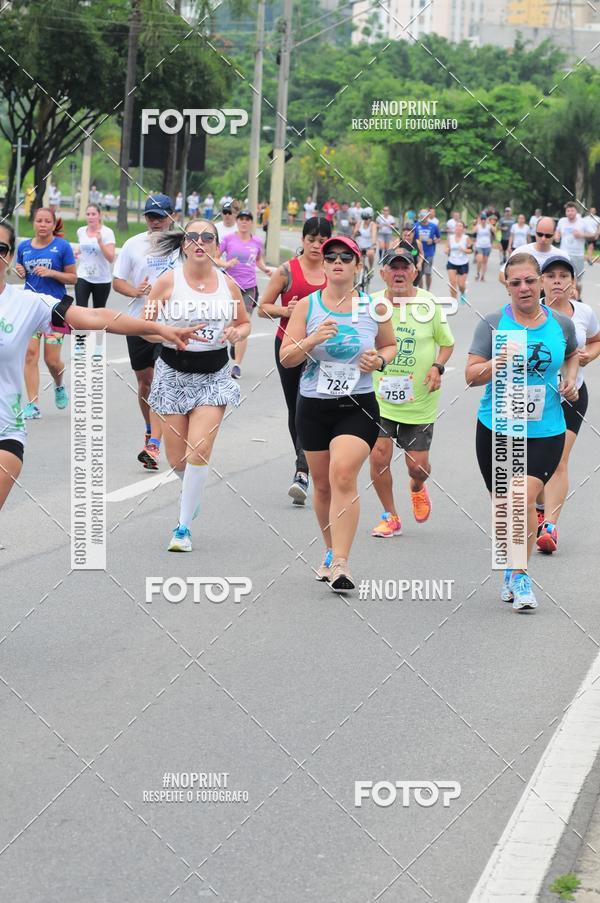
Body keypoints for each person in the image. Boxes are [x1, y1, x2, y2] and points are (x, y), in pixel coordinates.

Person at [0, 221, 201, 516]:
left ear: (10, 255)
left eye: (1, 248)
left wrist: (157, 327)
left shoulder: (26, 304)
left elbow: (94, 316)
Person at [279, 235, 397, 591]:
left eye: (346, 256)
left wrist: (378, 360)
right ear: (325, 264)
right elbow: (287, 357)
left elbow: (389, 346)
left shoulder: (374, 308)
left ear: (358, 266)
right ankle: (330, 551)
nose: (337, 261)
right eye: (331, 256)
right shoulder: (307, 307)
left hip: (357, 404)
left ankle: (342, 564)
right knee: (323, 485)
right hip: (313, 405)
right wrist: (312, 340)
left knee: (343, 473)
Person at [466, 252, 579, 611]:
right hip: (497, 427)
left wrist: (571, 380)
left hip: (546, 429)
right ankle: (513, 565)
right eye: (515, 283)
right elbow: (471, 376)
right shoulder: (493, 324)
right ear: (507, 286)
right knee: (505, 506)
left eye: (530, 280)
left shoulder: (561, 324)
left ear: (542, 282)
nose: (524, 288)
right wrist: (495, 363)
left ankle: (521, 574)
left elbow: (573, 353)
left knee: (520, 497)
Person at [144, 219, 250, 552]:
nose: (199, 241)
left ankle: (183, 527)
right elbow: (143, 325)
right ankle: (192, 490)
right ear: (183, 245)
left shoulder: (227, 285)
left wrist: (237, 333)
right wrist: (166, 334)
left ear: (217, 245)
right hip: (173, 375)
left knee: (198, 450)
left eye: (208, 237)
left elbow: (244, 323)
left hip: (213, 377)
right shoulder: (167, 282)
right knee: (177, 460)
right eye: (193, 236)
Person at [369, 249, 454, 537]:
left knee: (417, 467)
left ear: (415, 272)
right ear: (383, 273)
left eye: (404, 268)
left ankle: (417, 487)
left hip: (419, 399)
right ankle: (390, 515)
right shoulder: (373, 305)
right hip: (379, 396)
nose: (399, 273)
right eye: (393, 268)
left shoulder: (429, 304)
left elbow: (447, 344)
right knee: (379, 455)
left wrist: (437, 367)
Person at [258, 216, 331, 505]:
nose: (316, 245)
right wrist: (285, 312)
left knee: (318, 405)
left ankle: (311, 464)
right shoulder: (287, 271)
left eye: (322, 240)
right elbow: (262, 308)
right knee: (298, 405)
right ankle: (303, 469)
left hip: (325, 351)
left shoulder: (333, 270)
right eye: (311, 239)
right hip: (289, 345)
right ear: (302, 240)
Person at [534, 256, 600, 553]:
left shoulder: (584, 312)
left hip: (572, 396)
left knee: (559, 460)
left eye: (563, 276)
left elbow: (597, 340)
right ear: (541, 282)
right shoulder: (530, 314)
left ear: (573, 283)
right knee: (534, 465)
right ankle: (538, 507)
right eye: (551, 276)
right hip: (533, 400)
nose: (557, 281)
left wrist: (589, 355)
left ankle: (549, 527)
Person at [112, 193, 176, 470]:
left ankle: (155, 445)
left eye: (161, 216)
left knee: (163, 380)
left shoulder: (182, 245)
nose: (157, 222)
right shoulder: (133, 245)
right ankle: (150, 428)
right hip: (138, 321)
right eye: (151, 216)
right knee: (146, 382)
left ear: (172, 216)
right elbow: (117, 281)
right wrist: (134, 291)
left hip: (172, 323)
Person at [15, 207, 76, 419]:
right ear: (33, 222)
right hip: (30, 309)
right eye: (39, 220)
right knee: (30, 355)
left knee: (52, 360)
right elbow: (22, 271)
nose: (42, 225)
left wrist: (51, 272)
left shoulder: (62, 247)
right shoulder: (23, 247)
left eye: (47, 221)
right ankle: (33, 404)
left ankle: (59, 385)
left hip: (54, 311)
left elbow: (73, 278)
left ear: (53, 224)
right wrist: (20, 271)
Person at [218, 209, 272, 378]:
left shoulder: (257, 241)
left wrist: (265, 269)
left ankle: (237, 366)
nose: (244, 222)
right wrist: (226, 264)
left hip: (249, 288)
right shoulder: (228, 239)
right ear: (237, 221)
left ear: (251, 223)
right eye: (241, 219)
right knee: (230, 324)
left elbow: (258, 260)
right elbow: (215, 257)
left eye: (247, 219)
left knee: (244, 322)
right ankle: (233, 343)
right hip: (229, 286)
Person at [75, 204, 116, 321]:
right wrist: (77, 251)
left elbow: (110, 258)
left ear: (99, 216)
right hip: (83, 276)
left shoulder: (107, 232)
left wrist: (100, 243)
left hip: (101, 279)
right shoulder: (81, 231)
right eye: (88, 214)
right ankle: (83, 338)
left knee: (98, 314)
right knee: (80, 312)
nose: (90, 217)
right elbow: (82, 247)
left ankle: (97, 338)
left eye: (93, 214)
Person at [499, 216, 569, 284]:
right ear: (535, 232)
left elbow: (572, 280)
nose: (543, 239)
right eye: (540, 234)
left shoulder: (562, 256)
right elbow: (502, 275)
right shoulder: (521, 251)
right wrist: (517, 287)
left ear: (554, 234)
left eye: (548, 236)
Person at [555, 202, 586, 290]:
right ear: (565, 212)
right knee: (563, 277)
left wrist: (582, 235)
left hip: (578, 255)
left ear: (576, 211)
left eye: (572, 210)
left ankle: (577, 299)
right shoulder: (562, 221)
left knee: (578, 280)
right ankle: (565, 298)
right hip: (564, 254)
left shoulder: (582, 222)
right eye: (568, 211)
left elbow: (594, 235)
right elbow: (557, 231)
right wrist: (557, 236)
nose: (570, 212)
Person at [445, 220, 472, 304]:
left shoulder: (466, 238)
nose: (458, 227)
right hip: (451, 262)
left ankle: (463, 293)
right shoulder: (450, 238)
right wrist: (446, 250)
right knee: (452, 284)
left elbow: (471, 250)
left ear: (463, 228)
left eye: (460, 226)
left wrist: (464, 250)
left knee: (461, 285)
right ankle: (454, 302)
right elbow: (446, 247)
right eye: (457, 226)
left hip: (463, 263)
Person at [413, 208, 440, 291]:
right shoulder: (415, 226)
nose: (423, 218)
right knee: (420, 273)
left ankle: (428, 290)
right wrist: (418, 241)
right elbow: (410, 239)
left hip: (429, 252)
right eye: (421, 216)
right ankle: (421, 291)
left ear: (428, 216)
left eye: (424, 216)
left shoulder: (433, 226)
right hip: (419, 253)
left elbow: (439, 238)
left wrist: (433, 241)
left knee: (428, 273)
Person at [353, 211, 378, 282]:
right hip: (359, 245)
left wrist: (373, 244)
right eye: (364, 219)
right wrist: (356, 233)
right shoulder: (359, 223)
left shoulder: (373, 225)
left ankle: (370, 269)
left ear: (370, 218)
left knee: (370, 253)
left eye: (367, 219)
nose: (365, 220)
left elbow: (374, 235)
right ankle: (356, 278)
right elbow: (354, 233)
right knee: (357, 260)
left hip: (369, 246)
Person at [474, 213, 494, 282]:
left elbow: (494, 230)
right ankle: (477, 273)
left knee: (485, 262)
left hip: (487, 246)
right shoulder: (478, 226)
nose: (483, 220)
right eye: (482, 219)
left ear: (486, 219)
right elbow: (474, 231)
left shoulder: (489, 226)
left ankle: (482, 276)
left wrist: (489, 223)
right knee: (479, 260)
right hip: (479, 246)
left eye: (484, 219)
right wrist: (478, 222)